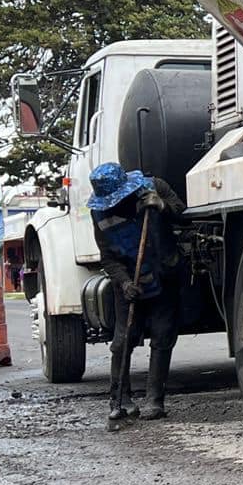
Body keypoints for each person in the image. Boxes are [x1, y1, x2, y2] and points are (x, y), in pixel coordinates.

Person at [87, 162, 186, 423]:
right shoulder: (100, 216)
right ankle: (119, 399)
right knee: (123, 340)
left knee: (163, 336)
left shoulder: (155, 187)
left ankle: (155, 400)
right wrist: (123, 282)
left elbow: (182, 212)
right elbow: (107, 258)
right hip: (130, 281)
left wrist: (162, 207)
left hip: (165, 274)